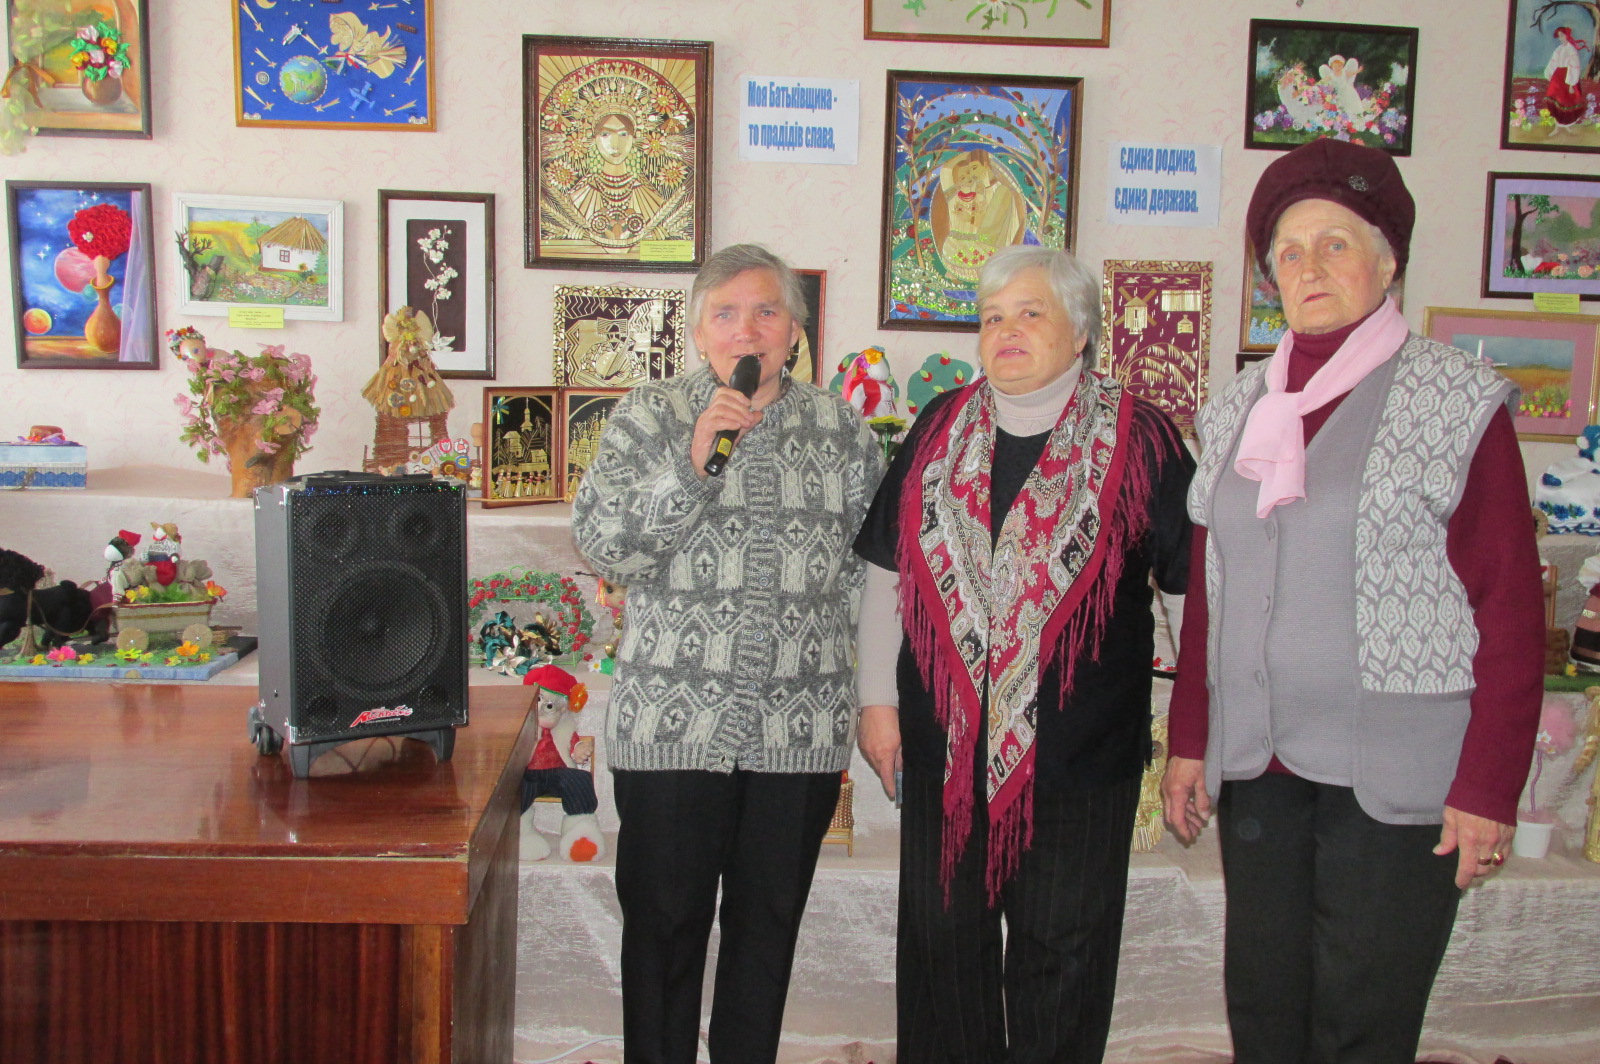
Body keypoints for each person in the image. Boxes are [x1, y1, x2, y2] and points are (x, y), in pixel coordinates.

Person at [1161, 138, 1544, 1064]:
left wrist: (1488, 786)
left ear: (1387, 261)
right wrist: (1190, 740)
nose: (1309, 267)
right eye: (1289, 252)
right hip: (1261, 764)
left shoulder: (1457, 402)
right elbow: (1211, 593)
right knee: (1264, 1010)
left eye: (1335, 244)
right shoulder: (1237, 410)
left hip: (1397, 774)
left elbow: (1509, 607)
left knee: (1362, 1024)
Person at [854, 244, 1194, 1063]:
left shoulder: (1142, 438)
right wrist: (876, 703)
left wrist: (1194, 733)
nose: (1006, 331)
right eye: (992, 317)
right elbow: (886, 570)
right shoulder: (938, 427)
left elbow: (1191, 595)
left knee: (1064, 966)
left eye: (1030, 313)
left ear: (1079, 332)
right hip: (944, 755)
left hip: (1082, 765)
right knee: (943, 953)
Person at [571, 243, 882, 1064]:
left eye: (767, 312)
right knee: (663, 933)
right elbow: (606, 546)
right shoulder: (649, 416)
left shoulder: (843, 431)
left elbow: (870, 576)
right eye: (727, 313)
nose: (748, 331)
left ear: (795, 332)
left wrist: (873, 695)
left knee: (765, 935)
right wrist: (692, 463)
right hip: (673, 731)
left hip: (798, 733)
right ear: (700, 332)